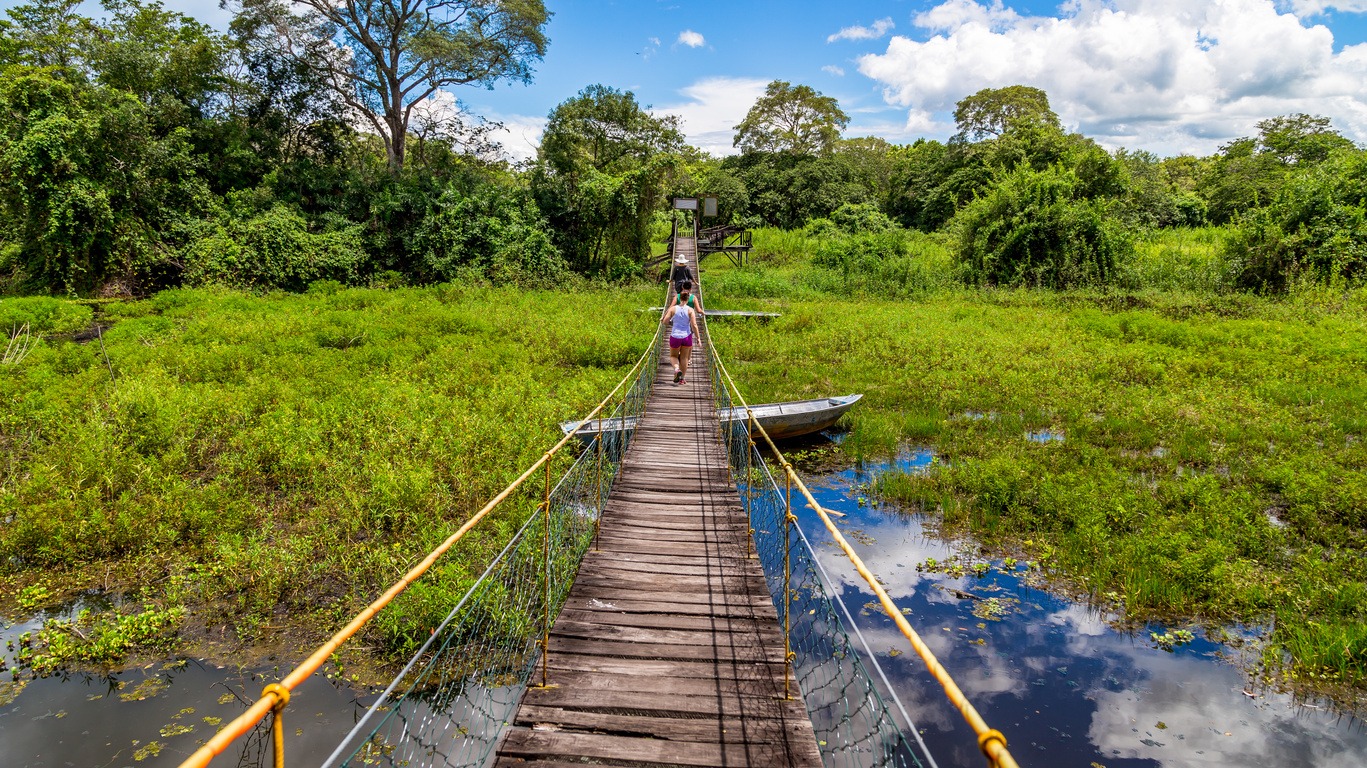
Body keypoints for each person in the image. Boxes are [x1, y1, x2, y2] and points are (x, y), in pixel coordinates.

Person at [662, 287, 700, 385]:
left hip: (675, 336)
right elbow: (694, 325)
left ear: (679, 299)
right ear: (688, 299)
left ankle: (676, 369)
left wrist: (673, 323)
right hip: (687, 337)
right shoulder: (691, 310)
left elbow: (665, 321)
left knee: (673, 356)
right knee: (684, 358)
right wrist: (698, 338)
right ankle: (682, 378)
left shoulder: (673, 309)